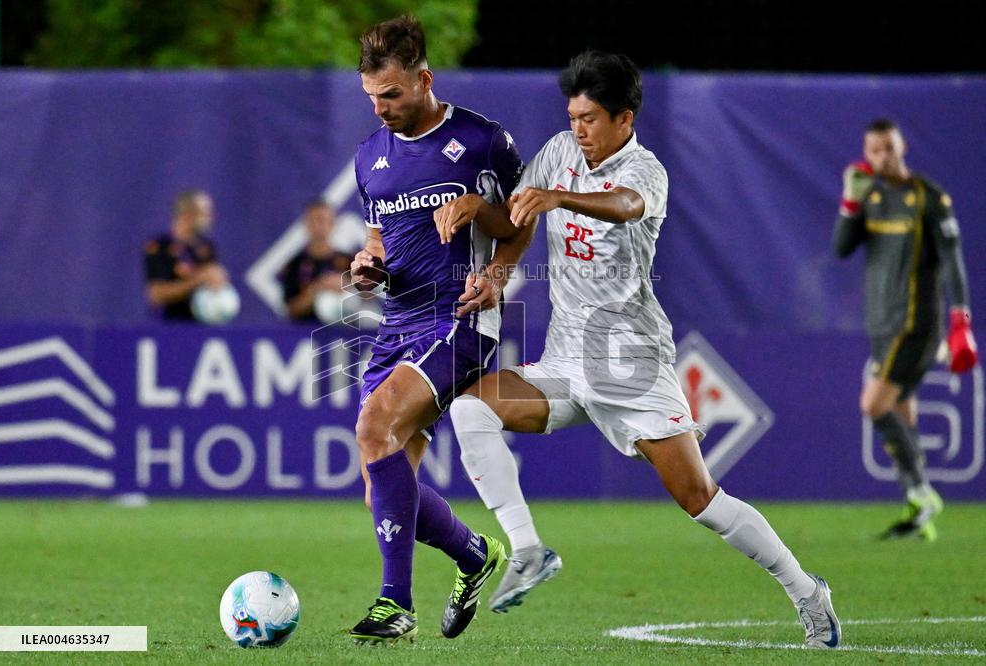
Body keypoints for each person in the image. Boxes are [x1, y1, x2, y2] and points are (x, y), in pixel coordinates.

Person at [440, 51, 842, 649]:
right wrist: (490, 242)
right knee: (470, 408)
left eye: (591, 118)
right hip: (565, 359)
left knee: (700, 499)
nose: (579, 128)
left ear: (624, 119)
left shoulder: (645, 170)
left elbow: (626, 206)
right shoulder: (556, 153)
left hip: (631, 366)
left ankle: (806, 590)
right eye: (573, 116)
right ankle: (527, 550)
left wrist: (561, 200)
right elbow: (517, 220)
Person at [345, 15, 532, 645]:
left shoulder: (481, 140)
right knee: (384, 495)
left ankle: (395, 605)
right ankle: (476, 556)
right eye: (372, 97)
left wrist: (499, 271)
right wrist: (367, 265)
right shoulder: (369, 157)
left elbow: (523, 220)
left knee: (374, 426)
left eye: (392, 95)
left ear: (425, 79)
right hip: (397, 322)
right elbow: (379, 236)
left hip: (459, 317)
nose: (382, 108)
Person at [834, 118, 978, 540]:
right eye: (874, 150)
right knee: (901, 412)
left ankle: (921, 492)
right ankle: (919, 512)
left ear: (902, 147)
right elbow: (841, 249)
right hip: (881, 323)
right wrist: (849, 202)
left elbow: (954, 261)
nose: (881, 157)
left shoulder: (929, 198)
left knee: (873, 404)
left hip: (915, 324)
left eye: (888, 149)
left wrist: (961, 321)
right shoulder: (871, 194)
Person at [144, 189, 231, 321]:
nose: (211, 218)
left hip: (202, 326)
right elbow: (156, 295)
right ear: (187, 215)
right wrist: (199, 279)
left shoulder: (207, 247)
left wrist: (218, 282)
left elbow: (210, 285)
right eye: (205, 213)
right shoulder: (159, 246)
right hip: (169, 328)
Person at [279, 198, 354, 322]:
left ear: (333, 224)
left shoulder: (350, 262)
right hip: (307, 334)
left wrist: (347, 285)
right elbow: (290, 310)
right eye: (314, 220)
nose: (320, 226)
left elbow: (369, 299)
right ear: (306, 224)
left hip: (346, 333)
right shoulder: (294, 265)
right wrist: (320, 287)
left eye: (324, 220)